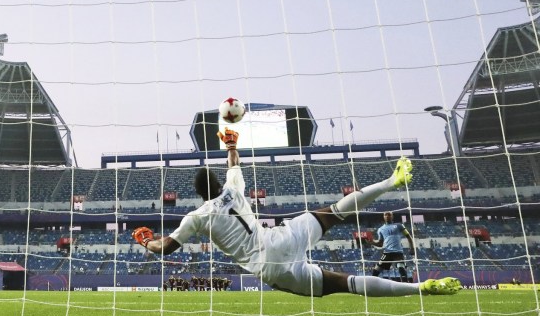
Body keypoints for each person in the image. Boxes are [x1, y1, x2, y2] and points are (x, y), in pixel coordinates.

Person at [133, 127, 461, 298]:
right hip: (281, 237)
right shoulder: (232, 189)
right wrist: (231, 145)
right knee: (335, 212)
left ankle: (418, 290)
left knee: (347, 284)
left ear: (199, 193)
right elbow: (233, 164)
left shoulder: (197, 216)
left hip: (270, 267)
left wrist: (146, 242)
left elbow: (165, 247)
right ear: (218, 183)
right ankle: (391, 180)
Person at [369, 211, 415, 283]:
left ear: (392, 216)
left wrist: (412, 248)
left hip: (398, 252)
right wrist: (371, 242)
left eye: (389, 215)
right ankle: (371, 288)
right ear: (383, 217)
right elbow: (380, 244)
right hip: (387, 252)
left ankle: (406, 288)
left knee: (401, 269)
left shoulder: (399, 225)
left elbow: (408, 236)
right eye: (385, 215)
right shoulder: (380, 229)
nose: (387, 216)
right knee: (376, 271)